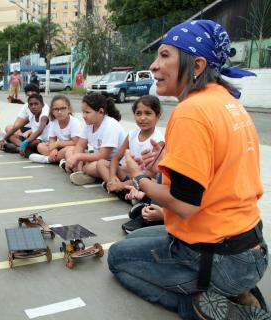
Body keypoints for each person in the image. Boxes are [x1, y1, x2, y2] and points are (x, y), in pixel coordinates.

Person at [107, 20, 269, 320]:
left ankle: (209, 307)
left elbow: (184, 205)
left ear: (196, 64)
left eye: (165, 55)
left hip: (217, 256)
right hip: (251, 247)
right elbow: (220, 168)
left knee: (117, 258)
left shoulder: (191, 111)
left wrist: (137, 176)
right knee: (135, 239)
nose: (154, 66)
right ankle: (238, 292)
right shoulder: (227, 103)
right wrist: (167, 161)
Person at [97, 95, 164, 197]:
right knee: (101, 163)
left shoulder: (158, 140)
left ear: (158, 115)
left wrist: (122, 184)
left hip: (143, 179)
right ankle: (115, 187)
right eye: (138, 113)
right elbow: (116, 158)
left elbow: (150, 174)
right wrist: (112, 177)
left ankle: (121, 190)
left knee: (149, 181)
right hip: (127, 174)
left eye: (148, 113)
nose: (142, 118)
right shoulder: (132, 134)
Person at [63, 93, 125, 186]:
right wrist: (78, 163)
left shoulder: (111, 126)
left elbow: (102, 155)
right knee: (70, 150)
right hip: (96, 158)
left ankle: (89, 174)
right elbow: (80, 145)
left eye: (87, 112)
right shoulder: (89, 123)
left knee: (92, 166)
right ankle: (82, 173)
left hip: (111, 163)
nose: (83, 115)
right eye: (83, 112)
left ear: (100, 112)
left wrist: (78, 157)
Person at [28, 95, 81, 164]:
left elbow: (76, 142)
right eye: (56, 109)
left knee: (69, 150)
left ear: (69, 109)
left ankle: (48, 159)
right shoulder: (53, 122)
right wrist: (54, 149)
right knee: (40, 146)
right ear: (52, 111)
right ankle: (58, 159)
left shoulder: (74, 122)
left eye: (63, 108)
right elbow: (52, 139)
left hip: (72, 148)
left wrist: (57, 144)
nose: (59, 112)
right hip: (59, 148)